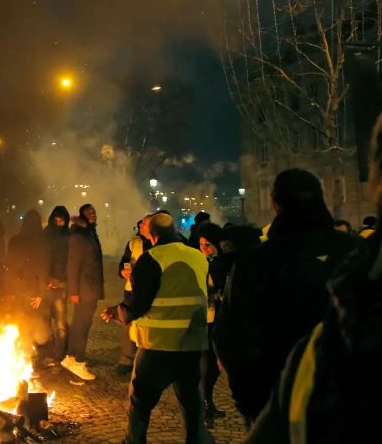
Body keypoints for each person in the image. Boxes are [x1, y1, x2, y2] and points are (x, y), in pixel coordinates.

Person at [213, 168, 359, 425]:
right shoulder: (359, 252)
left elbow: (232, 339)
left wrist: (253, 405)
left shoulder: (256, 263)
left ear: (275, 203)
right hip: (355, 402)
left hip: (279, 401)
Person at [101, 212, 213, 444]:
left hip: (157, 345)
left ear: (152, 233)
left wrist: (116, 312)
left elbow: (139, 305)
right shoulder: (197, 256)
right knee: (192, 403)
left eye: (144, 224)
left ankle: (134, 441)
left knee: (140, 402)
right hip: (192, 343)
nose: (140, 225)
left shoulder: (150, 259)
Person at [64, 204, 104, 381]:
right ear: (82, 216)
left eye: (94, 212)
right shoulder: (79, 236)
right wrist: (73, 291)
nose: (93, 215)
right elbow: (72, 266)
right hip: (83, 289)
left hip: (91, 288)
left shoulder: (90, 233)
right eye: (89, 213)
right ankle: (78, 362)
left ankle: (72, 357)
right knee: (81, 325)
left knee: (81, 325)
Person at [196, 222, 229, 427]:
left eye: (208, 244)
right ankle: (205, 406)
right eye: (201, 244)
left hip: (220, 318)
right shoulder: (202, 263)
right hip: (206, 319)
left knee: (215, 366)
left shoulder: (223, 263)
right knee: (207, 366)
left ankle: (208, 403)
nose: (204, 249)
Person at [6, 210, 49, 365]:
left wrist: (9, 291)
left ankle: (18, 357)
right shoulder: (42, 243)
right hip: (32, 290)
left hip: (18, 289)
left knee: (19, 323)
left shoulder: (14, 241)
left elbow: (9, 268)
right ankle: (28, 359)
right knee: (31, 325)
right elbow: (44, 269)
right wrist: (41, 294)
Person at [115, 214, 154, 375]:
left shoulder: (159, 244)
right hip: (131, 289)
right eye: (140, 225)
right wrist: (122, 271)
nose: (140, 226)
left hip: (151, 290)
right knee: (129, 325)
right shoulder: (134, 242)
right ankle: (126, 360)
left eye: (144, 224)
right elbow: (124, 261)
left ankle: (147, 360)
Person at [43, 206, 72, 365]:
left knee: (60, 322)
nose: (59, 223)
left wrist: (63, 281)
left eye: (62, 221)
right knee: (45, 320)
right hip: (46, 284)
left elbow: (71, 263)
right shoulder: (45, 235)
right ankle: (49, 351)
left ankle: (59, 354)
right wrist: (45, 280)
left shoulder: (69, 237)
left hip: (61, 285)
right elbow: (41, 260)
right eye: (56, 220)